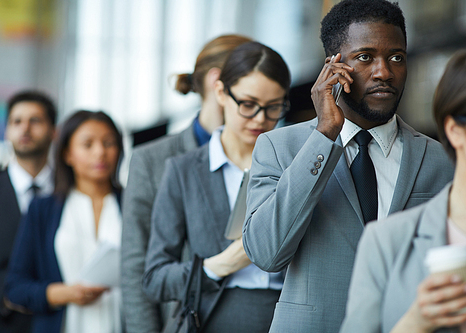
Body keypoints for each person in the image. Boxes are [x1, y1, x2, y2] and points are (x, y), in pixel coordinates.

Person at [242, 0, 455, 332]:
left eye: (396, 57)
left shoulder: (440, 160)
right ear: (334, 67)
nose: (384, 72)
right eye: (365, 57)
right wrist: (325, 134)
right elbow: (267, 253)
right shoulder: (279, 147)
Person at [142, 41, 290, 333]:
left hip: (287, 318)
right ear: (221, 93)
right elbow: (155, 279)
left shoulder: (298, 166)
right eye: (248, 105)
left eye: (274, 107)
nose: (260, 119)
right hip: (211, 320)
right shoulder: (183, 171)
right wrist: (218, 265)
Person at [121, 34, 252, 332]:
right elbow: (135, 265)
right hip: (184, 320)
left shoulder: (269, 151)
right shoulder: (152, 160)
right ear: (217, 81)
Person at [340, 50, 466, 333]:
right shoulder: (386, 241)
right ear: (455, 130)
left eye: (396, 58)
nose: (382, 72)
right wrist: (416, 322)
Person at [4, 110, 124, 333]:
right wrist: (61, 293)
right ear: (68, 154)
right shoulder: (44, 209)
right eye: (88, 144)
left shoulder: (133, 205)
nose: (100, 152)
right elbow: (15, 286)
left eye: (109, 143)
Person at [0, 90, 56, 333]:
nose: (25, 128)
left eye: (35, 121)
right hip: (1, 324)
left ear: (54, 131)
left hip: (60, 323)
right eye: (17, 121)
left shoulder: (68, 192)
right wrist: (2, 301)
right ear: (7, 131)